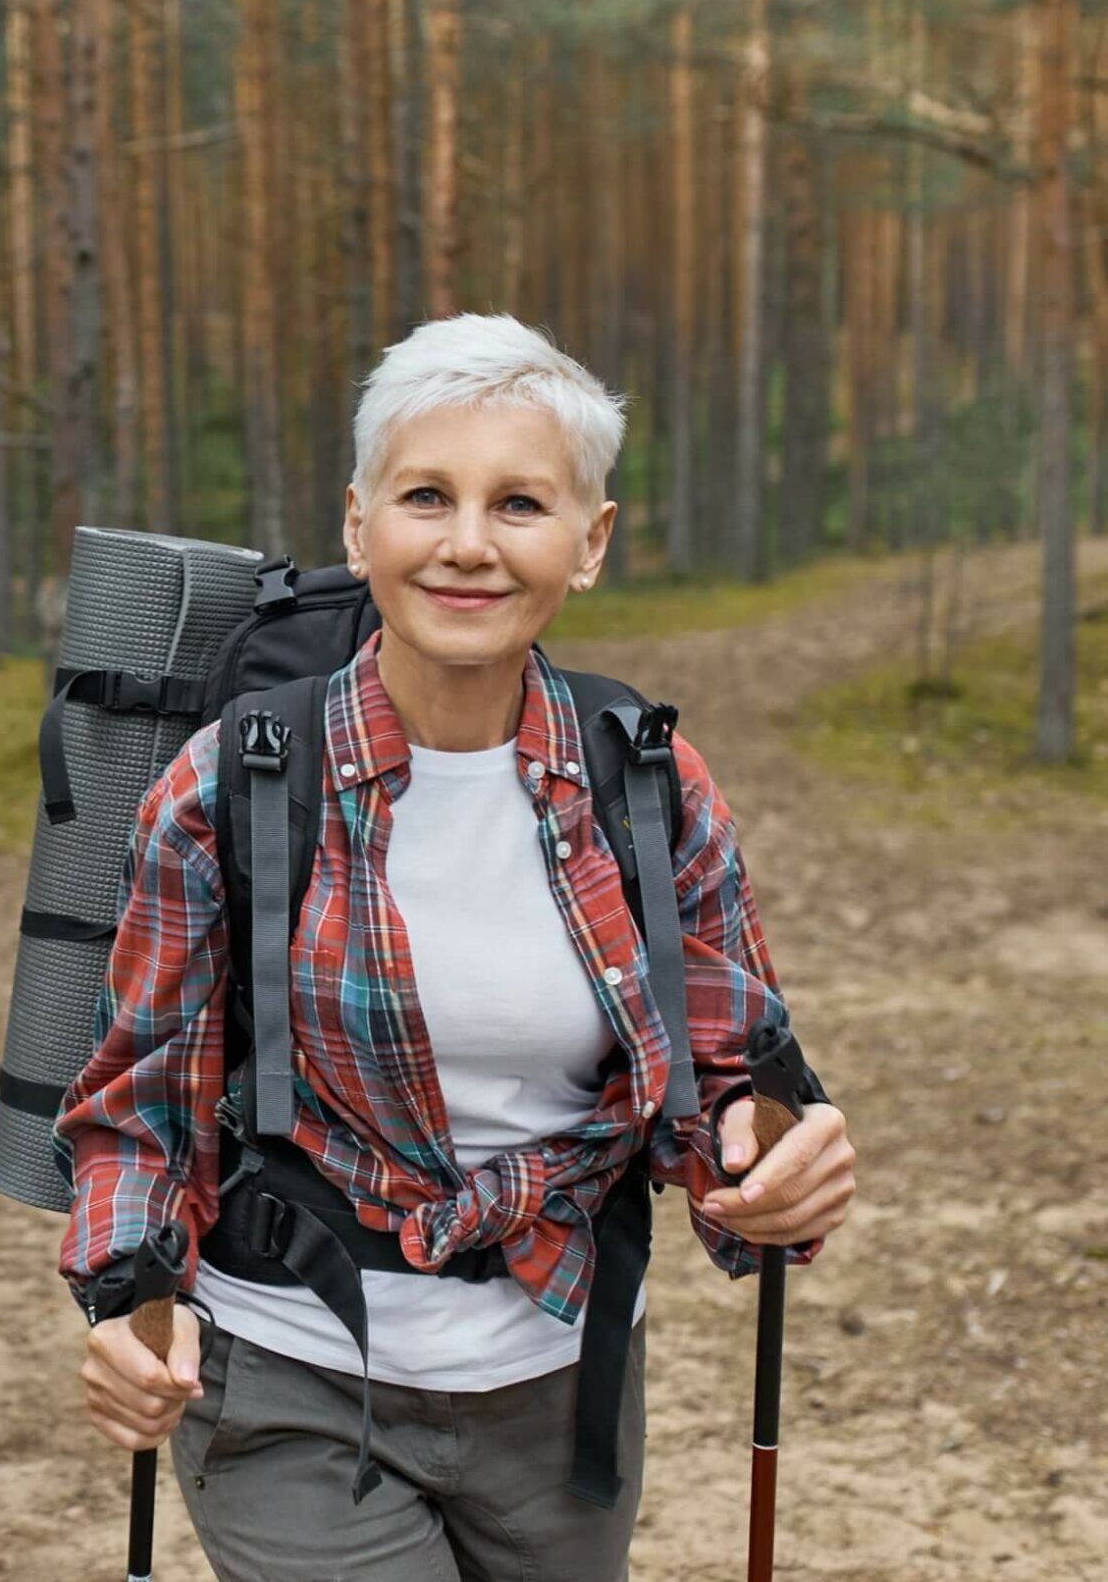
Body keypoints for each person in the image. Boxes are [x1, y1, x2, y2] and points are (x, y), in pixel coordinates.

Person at [54, 315, 857, 1580]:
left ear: (588, 542)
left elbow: (722, 1075)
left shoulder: (646, 783)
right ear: (359, 523)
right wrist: (129, 1306)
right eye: (427, 495)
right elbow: (140, 1103)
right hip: (289, 1377)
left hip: (564, 1382)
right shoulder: (235, 784)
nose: (469, 544)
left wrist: (769, 1171)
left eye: (521, 503)